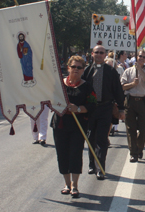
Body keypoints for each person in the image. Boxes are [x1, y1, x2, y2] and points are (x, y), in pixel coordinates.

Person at [51, 55, 96, 198]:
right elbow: (50, 100)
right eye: (73, 67)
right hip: (60, 124)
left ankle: (75, 185)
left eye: (79, 67)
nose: (76, 70)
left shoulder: (87, 86)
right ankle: (67, 184)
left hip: (78, 125)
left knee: (75, 154)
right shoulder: (59, 84)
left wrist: (77, 108)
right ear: (68, 67)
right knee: (62, 154)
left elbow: (92, 105)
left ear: (83, 70)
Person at [82, 45, 125, 180]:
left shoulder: (111, 71)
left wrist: (122, 109)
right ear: (92, 54)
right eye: (97, 52)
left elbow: (118, 90)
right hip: (90, 109)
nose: (99, 55)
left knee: (102, 139)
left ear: (105, 54)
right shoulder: (87, 71)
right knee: (91, 138)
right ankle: (91, 164)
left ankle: (100, 167)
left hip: (106, 108)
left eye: (102, 52)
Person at [121, 49, 145, 162]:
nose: (142, 59)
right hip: (130, 101)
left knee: (143, 129)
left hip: (143, 102)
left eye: (144, 57)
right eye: (140, 56)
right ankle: (133, 153)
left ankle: (139, 147)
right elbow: (122, 86)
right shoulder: (128, 71)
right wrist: (132, 84)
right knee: (131, 129)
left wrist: (140, 70)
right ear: (136, 57)